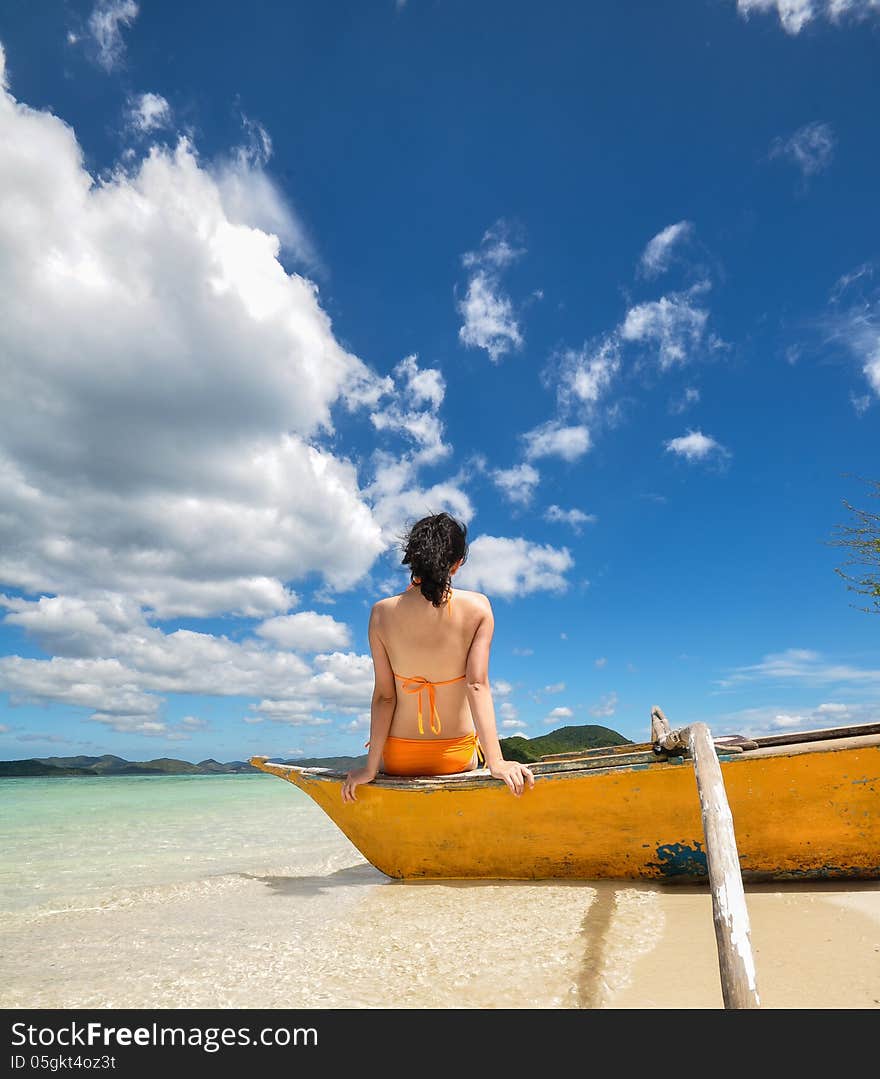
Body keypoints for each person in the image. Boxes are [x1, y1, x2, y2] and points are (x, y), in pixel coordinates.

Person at [341, 511, 535, 802]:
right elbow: (476, 685)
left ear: (412, 560)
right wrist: (497, 762)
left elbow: (385, 697)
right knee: (474, 748)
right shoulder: (478, 607)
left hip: (398, 759)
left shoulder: (381, 613)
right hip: (455, 756)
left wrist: (370, 768)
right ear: (456, 565)